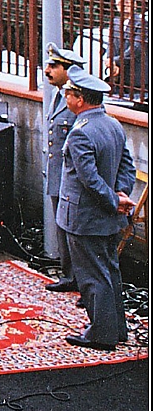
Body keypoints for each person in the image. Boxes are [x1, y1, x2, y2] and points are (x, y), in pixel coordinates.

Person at [56, 71, 138, 351]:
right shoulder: (113, 124)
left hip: (85, 216)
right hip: (108, 215)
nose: (65, 98)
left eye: (69, 94)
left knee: (92, 275)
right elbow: (127, 165)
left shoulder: (81, 132)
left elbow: (88, 179)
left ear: (80, 99)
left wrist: (115, 200)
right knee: (109, 270)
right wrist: (121, 194)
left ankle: (101, 333)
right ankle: (116, 328)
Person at [42, 44, 86, 293]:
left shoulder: (79, 101)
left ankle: (84, 283)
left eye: (54, 66)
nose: (47, 70)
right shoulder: (59, 96)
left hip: (72, 180)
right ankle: (70, 276)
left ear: (70, 71)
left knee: (75, 234)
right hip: (58, 175)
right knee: (63, 229)